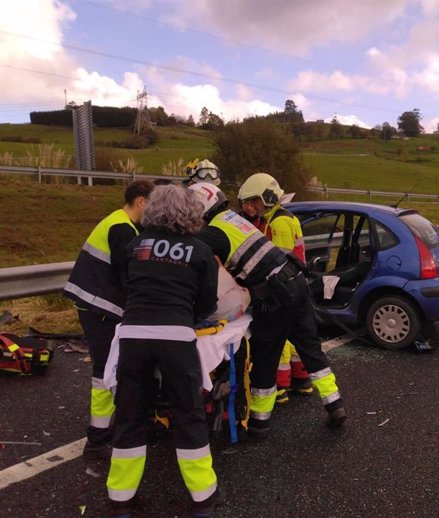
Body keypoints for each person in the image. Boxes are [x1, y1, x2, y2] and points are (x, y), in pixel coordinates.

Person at [189, 183, 346, 439]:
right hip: (295, 281)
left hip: (273, 295)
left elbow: (195, 257)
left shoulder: (214, 232)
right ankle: (335, 404)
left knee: (265, 356)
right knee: (310, 348)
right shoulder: (233, 219)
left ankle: (260, 423)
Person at [106, 185, 220, 518]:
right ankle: (203, 499)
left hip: (133, 335)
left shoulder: (134, 244)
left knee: (130, 415)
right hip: (176, 336)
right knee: (189, 414)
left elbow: (126, 285)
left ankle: (121, 501)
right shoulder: (199, 252)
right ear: (191, 212)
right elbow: (207, 304)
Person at [64, 179, 154, 461]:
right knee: (104, 373)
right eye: (151, 205)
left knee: (114, 369)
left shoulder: (122, 224)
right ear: (141, 201)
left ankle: (114, 426)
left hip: (97, 304)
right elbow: (128, 277)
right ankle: (97, 440)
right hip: (98, 307)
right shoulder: (122, 229)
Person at [238, 173, 313, 404]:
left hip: (283, 289)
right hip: (294, 287)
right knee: (294, 339)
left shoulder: (279, 222)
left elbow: (277, 262)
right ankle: (301, 380)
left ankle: (280, 387)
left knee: (278, 341)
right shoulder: (278, 218)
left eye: (254, 202)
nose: (251, 207)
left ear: (266, 198)